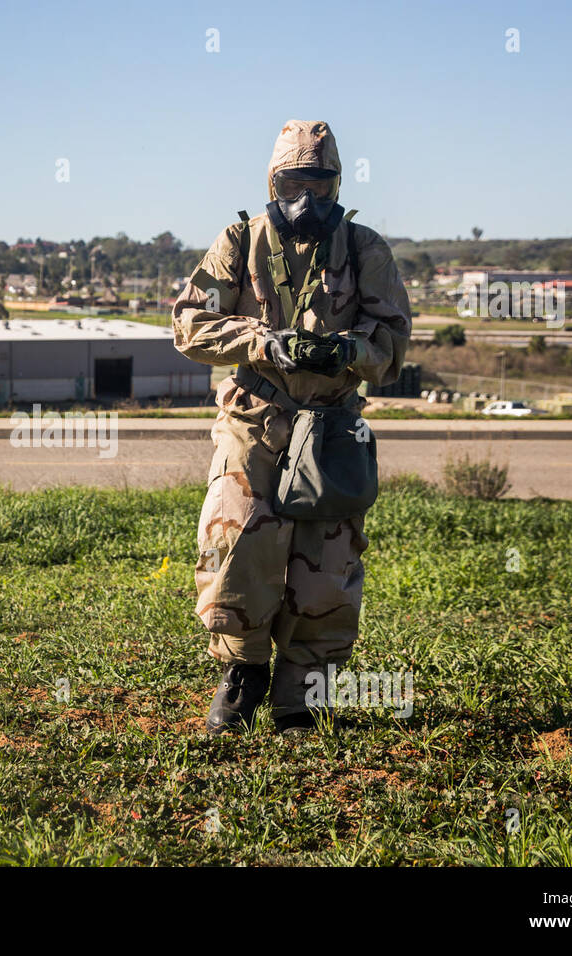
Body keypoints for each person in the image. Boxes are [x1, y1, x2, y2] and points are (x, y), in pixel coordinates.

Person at [171, 120, 412, 734]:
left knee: (327, 561)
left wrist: (344, 352)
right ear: (271, 182)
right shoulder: (238, 239)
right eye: (293, 183)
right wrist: (258, 341)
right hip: (253, 420)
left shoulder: (365, 248)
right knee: (235, 546)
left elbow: (392, 344)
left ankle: (302, 695)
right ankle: (241, 674)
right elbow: (189, 326)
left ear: (337, 184)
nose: (307, 199)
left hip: (331, 427)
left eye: (320, 184)